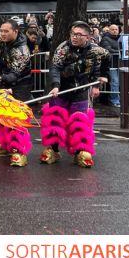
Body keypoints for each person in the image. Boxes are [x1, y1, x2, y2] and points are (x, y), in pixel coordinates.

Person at [41, 21, 109, 168]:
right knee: (55, 120)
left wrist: (101, 78)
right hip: (62, 90)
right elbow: (55, 68)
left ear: (88, 37)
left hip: (82, 89)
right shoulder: (63, 48)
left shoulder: (97, 50)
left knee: (80, 122)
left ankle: (81, 151)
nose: (75, 37)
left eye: (79, 35)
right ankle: (53, 149)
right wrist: (56, 86)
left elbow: (106, 59)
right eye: (73, 34)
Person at [0, 19, 32, 167]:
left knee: (17, 119)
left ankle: (20, 151)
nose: (2, 34)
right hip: (3, 81)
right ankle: (6, 145)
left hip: (20, 85)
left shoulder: (22, 51)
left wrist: (1, 78)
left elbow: (15, 75)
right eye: (1, 31)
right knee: (3, 116)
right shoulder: (1, 39)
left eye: (6, 31)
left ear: (15, 32)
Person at [99, 24, 121, 107]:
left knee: (120, 83)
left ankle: (119, 99)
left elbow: (128, 47)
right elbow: (108, 49)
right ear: (109, 30)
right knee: (114, 82)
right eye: (113, 29)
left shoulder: (120, 38)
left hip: (119, 64)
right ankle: (114, 100)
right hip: (111, 64)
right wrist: (119, 52)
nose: (115, 30)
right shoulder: (105, 39)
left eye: (116, 29)